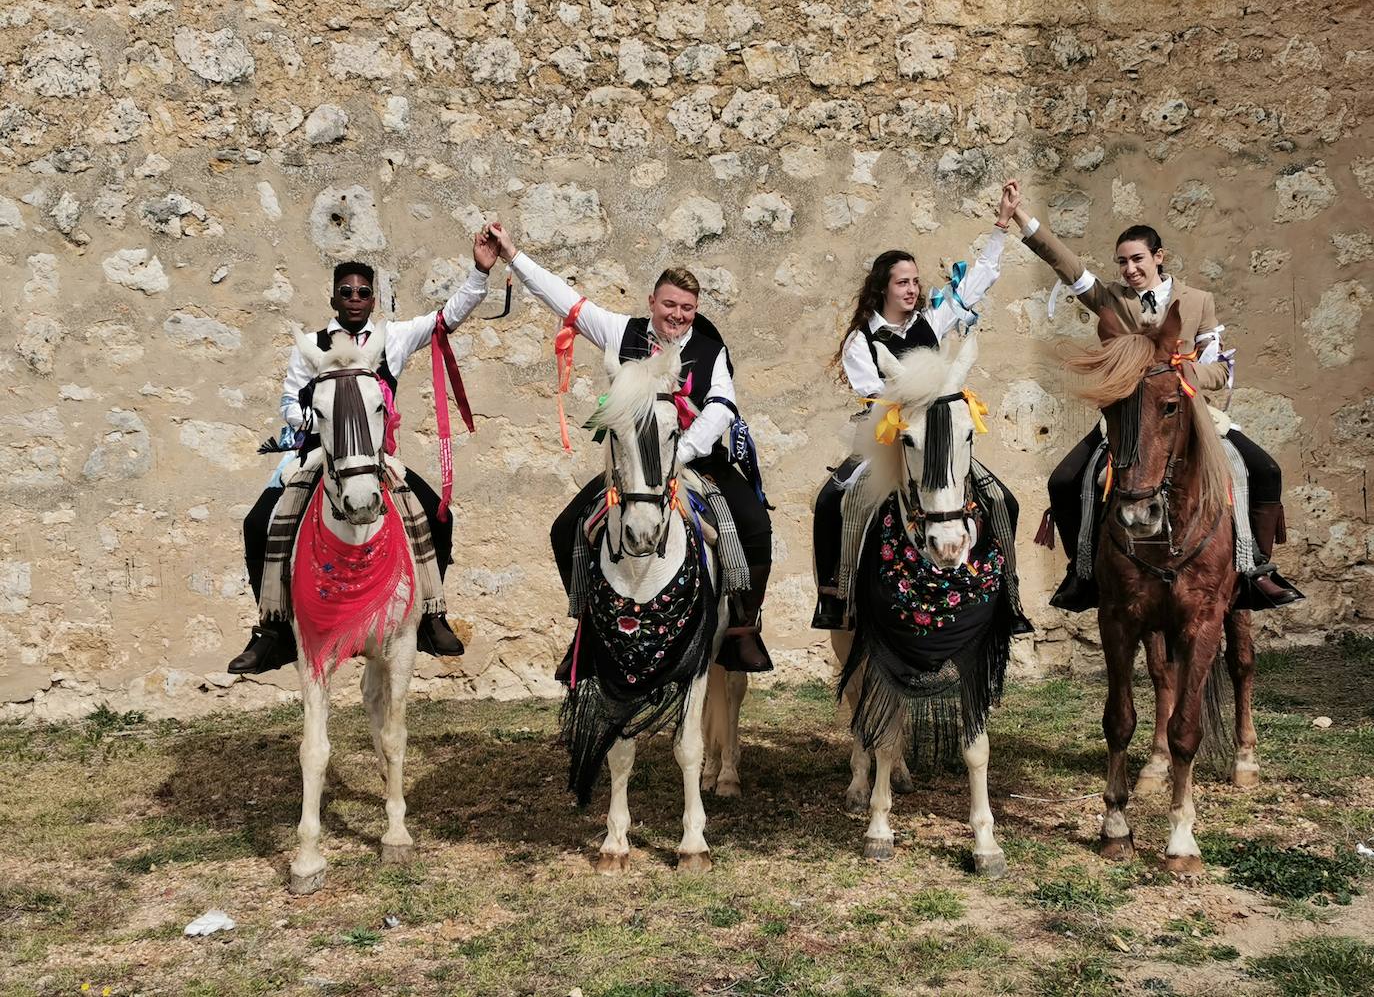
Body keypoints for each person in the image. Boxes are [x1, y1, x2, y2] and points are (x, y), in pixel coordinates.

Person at [479, 221, 774, 673]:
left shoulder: (712, 350)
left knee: (755, 528)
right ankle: (587, 627)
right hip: (634, 467)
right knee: (565, 529)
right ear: (652, 302)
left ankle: (740, 629)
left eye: (688, 309)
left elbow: (721, 407)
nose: (677, 315)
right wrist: (512, 255)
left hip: (697, 462)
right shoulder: (623, 331)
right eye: (670, 305)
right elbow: (564, 300)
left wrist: (684, 451)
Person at [1005, 181, 1301, 611]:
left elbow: (1220, 370)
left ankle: (1254, 566)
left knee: (1265, 470)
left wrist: (1176, 373)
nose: (1129, 269)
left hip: (1189, 413)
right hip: (1127, 419)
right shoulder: (1111, 298)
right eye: (1122, 262)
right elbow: (1066, 264)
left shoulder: (1199, 301)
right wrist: (1020, 216)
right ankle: (1082, 570)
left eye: (1137, 259)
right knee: (1064, 481)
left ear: (1158, 257)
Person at [228, 238, 497, 674]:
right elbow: (288, 404)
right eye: (346, 292)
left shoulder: (393, 338)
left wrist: (480, 272)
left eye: (363, 292)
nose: (355, 299)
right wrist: (324, 424)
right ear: (333, 297)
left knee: (436, 513)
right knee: (259, 521)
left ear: (373, 297)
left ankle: (431, 612)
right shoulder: (312, 347)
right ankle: (271, 629)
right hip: (321, 454)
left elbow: (447, 317)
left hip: (374, 459)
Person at [813, 181, 1030, 633]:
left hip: (941, 436)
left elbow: (979, 280)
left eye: (915, 281)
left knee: (999, 497)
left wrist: (1002, 224)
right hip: (884, 438)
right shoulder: (861, 341)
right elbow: (877, 396)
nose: (912, 289)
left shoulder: (932, 320)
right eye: (902, 282)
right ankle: (838, 595)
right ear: (883, 288)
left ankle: (1010, 594)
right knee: (835, 499)